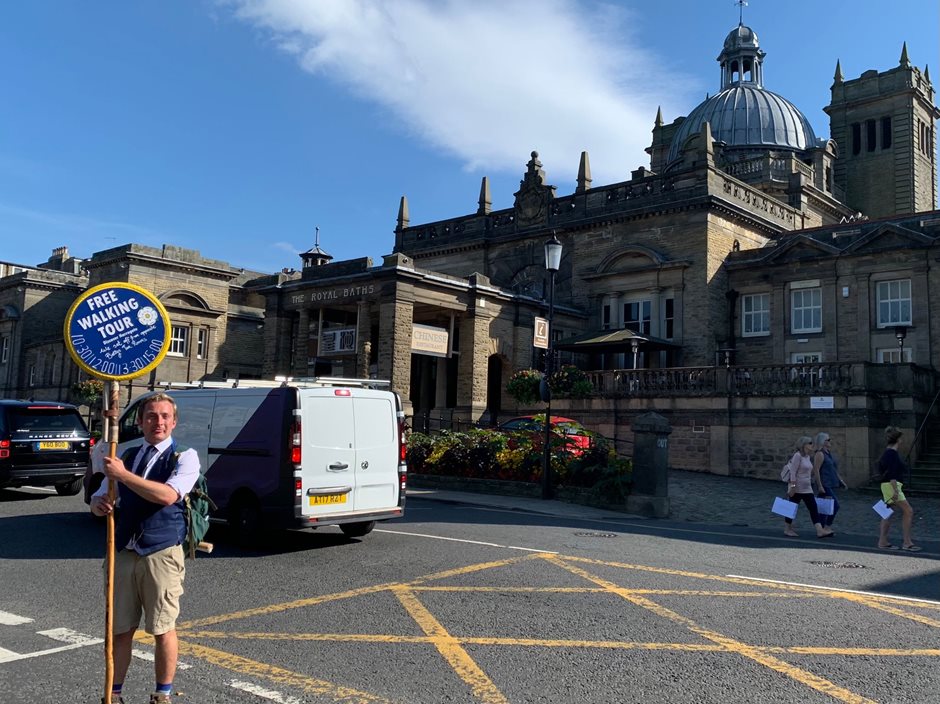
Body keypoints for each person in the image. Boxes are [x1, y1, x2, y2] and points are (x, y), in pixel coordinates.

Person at [90, 393, 200, 704]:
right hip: (124, 550)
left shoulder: (185, 457)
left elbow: (167, 495)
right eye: (151, 416)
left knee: (163, 628)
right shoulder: (127, 454)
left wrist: (124, 475)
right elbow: (100, 497)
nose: (158, 422)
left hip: (161, 552)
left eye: (165, 416)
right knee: (120, 629)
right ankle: (114, 693)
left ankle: (162, 694)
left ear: (174, 422)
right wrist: (100, 504)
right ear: (140, 422)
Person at [877, 426, 921, 551]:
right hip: (892, 485)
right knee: (908, 511)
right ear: (898, 439)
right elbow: (892, 473)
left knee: (886, 513)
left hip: (887, 485)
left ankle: (882, 541)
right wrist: (896, 490)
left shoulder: (888, 452)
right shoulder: (892, 454)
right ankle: (907, 542)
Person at [783, 435, 834, 538]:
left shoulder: (807, 457)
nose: (812, 445)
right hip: (797, 488)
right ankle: (787, 529)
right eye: (810, 443)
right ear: (804, 445)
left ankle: (819, 530)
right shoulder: (797, 456)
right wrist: (793, 486)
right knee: (791, 508)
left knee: (813, 508)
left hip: (807, 488)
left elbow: (809, 471)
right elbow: (793, 472)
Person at [813, 432, 847, 529]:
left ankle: (822, 528)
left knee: (824, 507)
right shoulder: (820, 454)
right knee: (835, 505)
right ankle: (827, 527)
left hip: (830, 483)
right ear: (823, 442)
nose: (830, 441)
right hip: (824, 484)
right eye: (828, 440)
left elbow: (834, 469)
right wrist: (820, 486)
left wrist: (841, 481)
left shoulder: (828, 453)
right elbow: (816, 470)